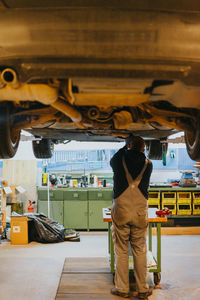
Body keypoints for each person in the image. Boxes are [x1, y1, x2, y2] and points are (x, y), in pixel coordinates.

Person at [110, 135, 153, 299]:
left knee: (121, 251)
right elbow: (140, 155)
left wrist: (125, 145)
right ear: (143, 148)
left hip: (121, 211)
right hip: (140, 213)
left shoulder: (118, 160)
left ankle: (122, 288)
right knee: (140, 250)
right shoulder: (149, 165)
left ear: (128, 146)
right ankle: (143, 289)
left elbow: (115, 158)